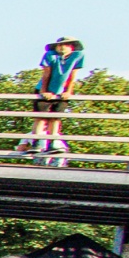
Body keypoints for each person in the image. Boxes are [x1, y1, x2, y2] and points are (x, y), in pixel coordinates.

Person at [23, 36, 84, 164]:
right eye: (59, 45)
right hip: (46, 88)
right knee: (41, 117)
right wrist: (44, 91)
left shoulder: (77, 56)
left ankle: (53, 143)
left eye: (66, 45)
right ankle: (36, 143)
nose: (62, 47)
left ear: (72, 47)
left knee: (55, 117)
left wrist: (68, 91)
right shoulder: (50, 55)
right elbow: (46, 73)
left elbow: (72, 76)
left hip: (61, 91)